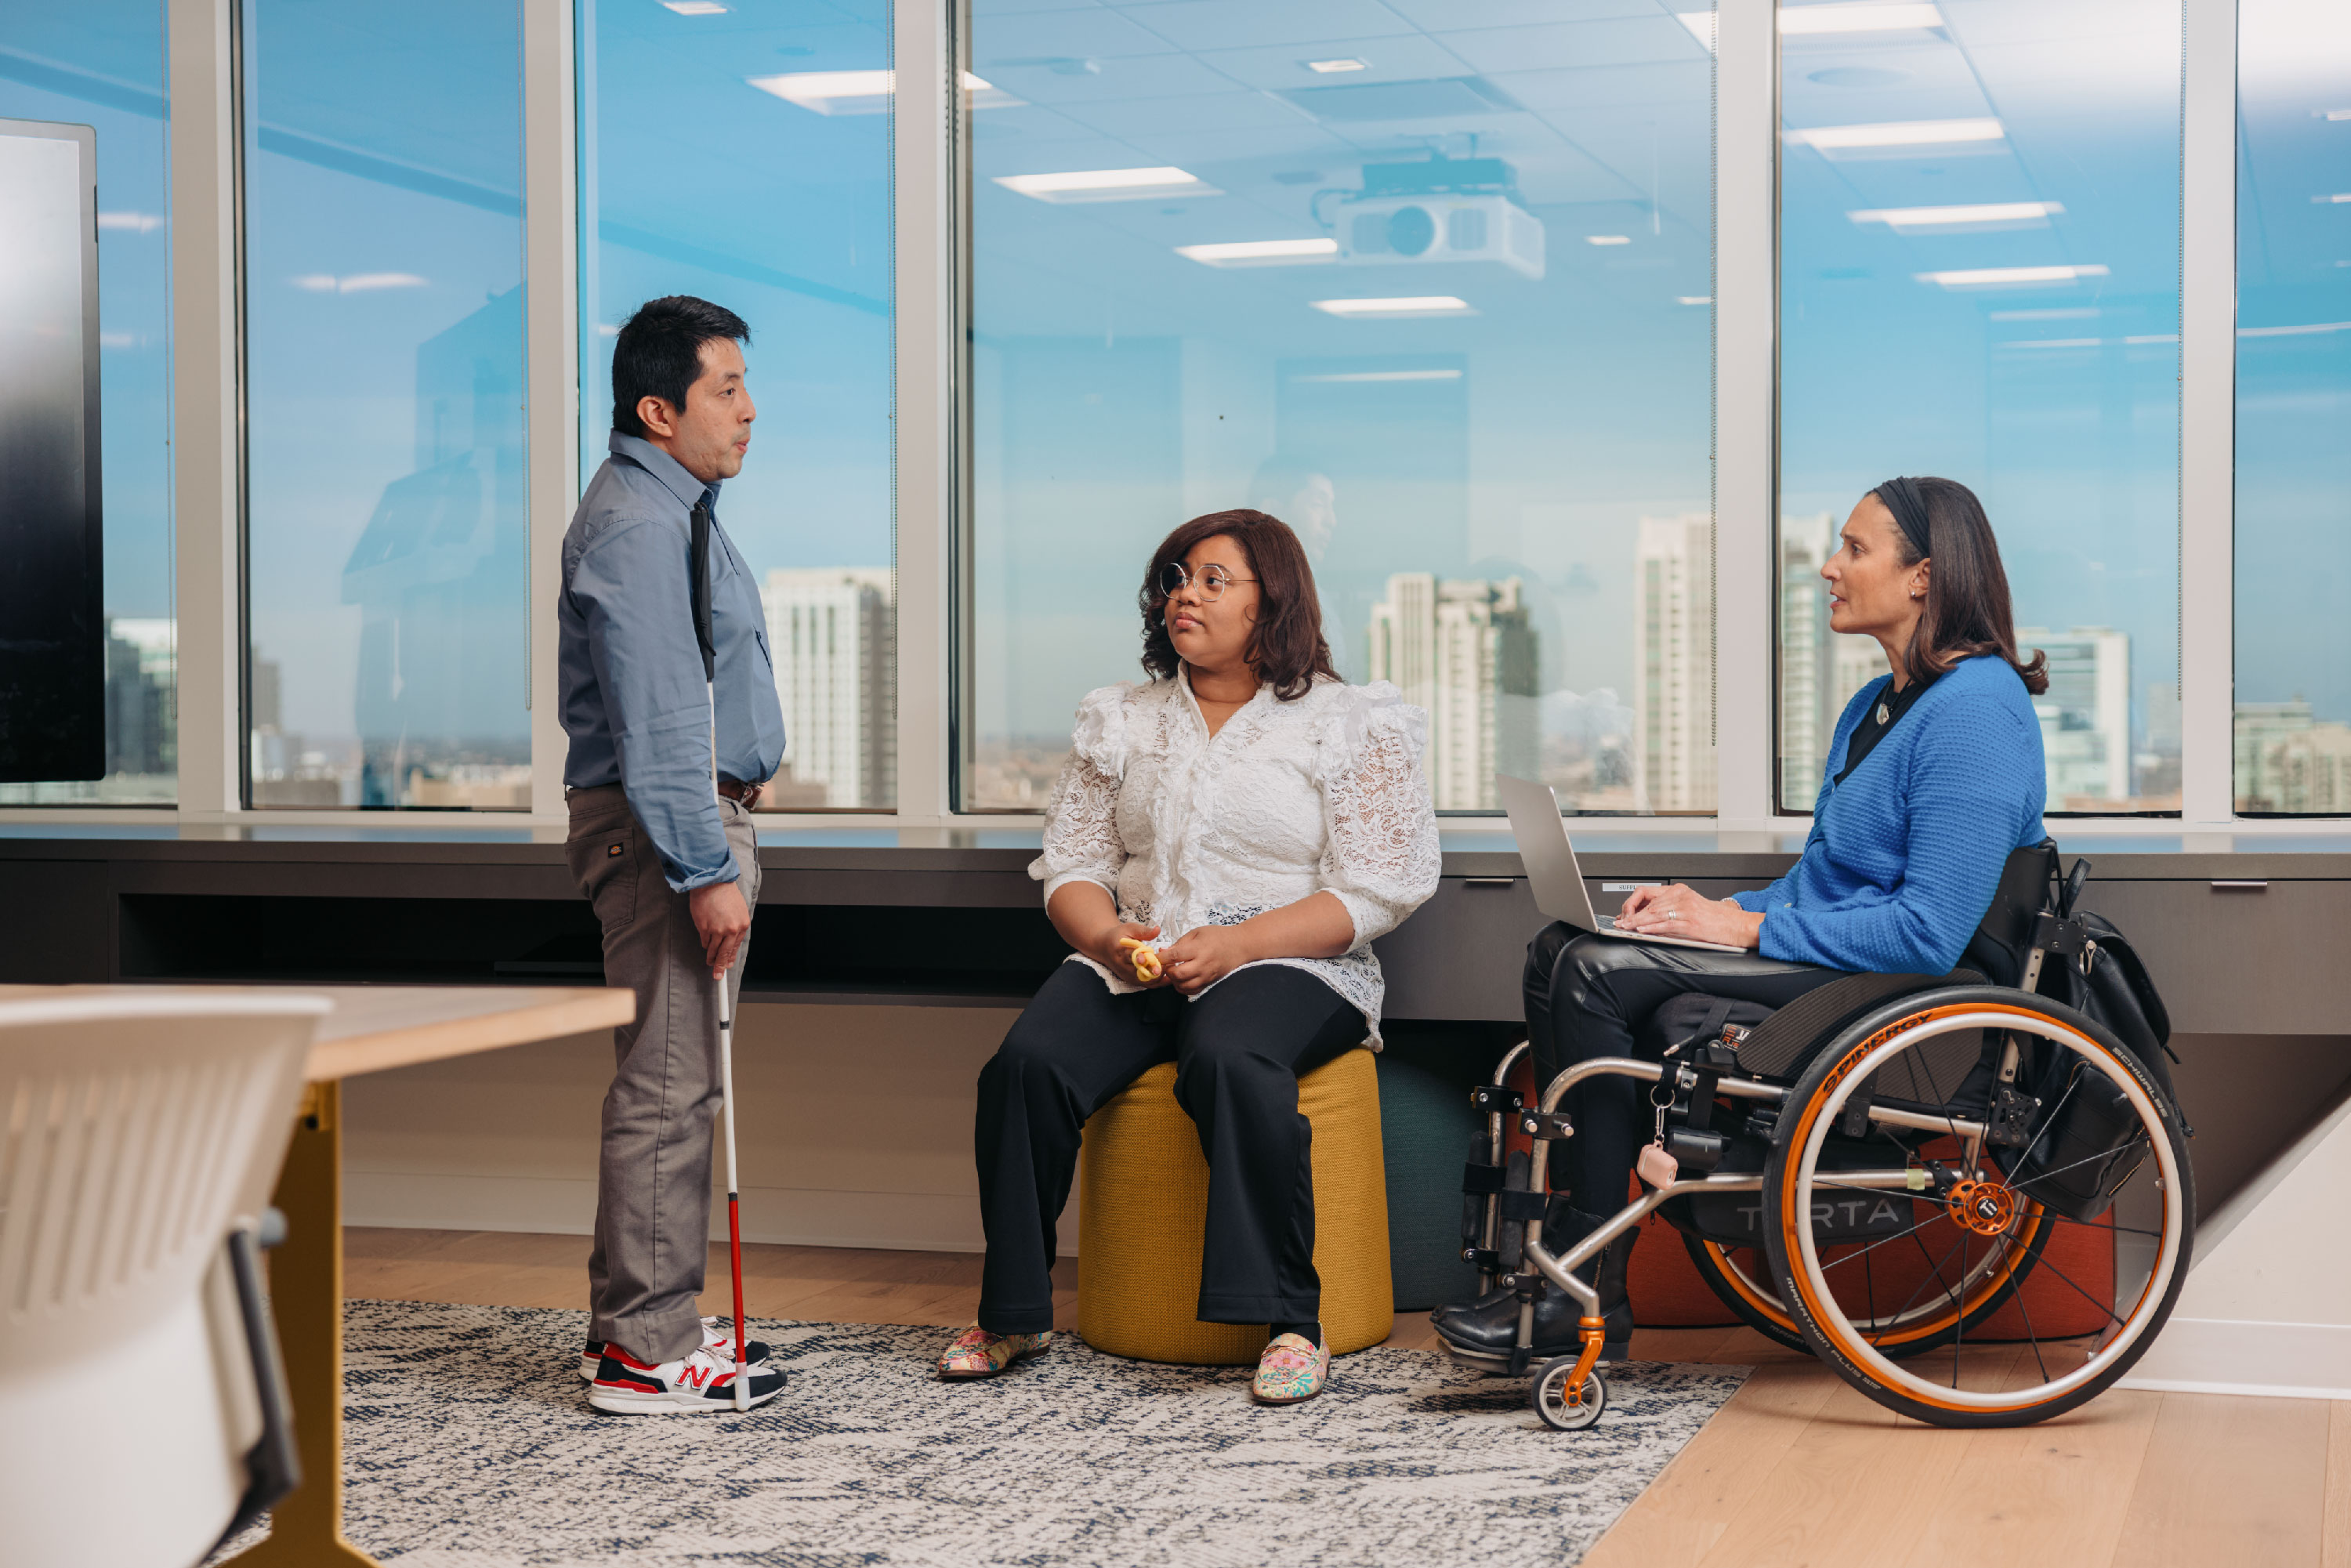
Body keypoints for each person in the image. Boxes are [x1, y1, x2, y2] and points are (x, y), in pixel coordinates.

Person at [1433, 475, 2050, 1364]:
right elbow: (1825, 883)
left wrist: (1746, 933)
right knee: (1568, 944)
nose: (1830, 569)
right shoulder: (1880, 708)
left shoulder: (1976, 712)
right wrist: (1703, 911)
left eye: (1854, 549)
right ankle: (1576, 1277)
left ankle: (1580, 1283)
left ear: (1924, 575)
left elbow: (1928, 931)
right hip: (1848, 968)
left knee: (1590, 970)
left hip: (1903, 993)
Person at [936, 509, 1441, 1404]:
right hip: (1142, 954)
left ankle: (1290, 1320)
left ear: (1271, 602)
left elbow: (1378, 888)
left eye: (1214, 580)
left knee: (1229, 1056)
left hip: (1292, 959)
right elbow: (1077, 866)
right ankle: (1013, 1312)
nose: (1185, 595)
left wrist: (1240, 944)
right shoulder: (1120, 720)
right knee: (1025, 1066)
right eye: (1177, 577)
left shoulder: (1348, 721)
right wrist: (1107, 936)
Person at [558, 295, 789, 1414]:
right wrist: (706, 869)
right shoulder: (643, 525)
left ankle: (637, 1332)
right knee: (668, 1085)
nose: (749, 410)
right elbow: (658, 722)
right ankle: (645, 1353)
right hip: (666, 837)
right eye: (725, 389)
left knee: (677, 1080)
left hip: (689, 823)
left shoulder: (678, 508)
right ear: (659, 410)